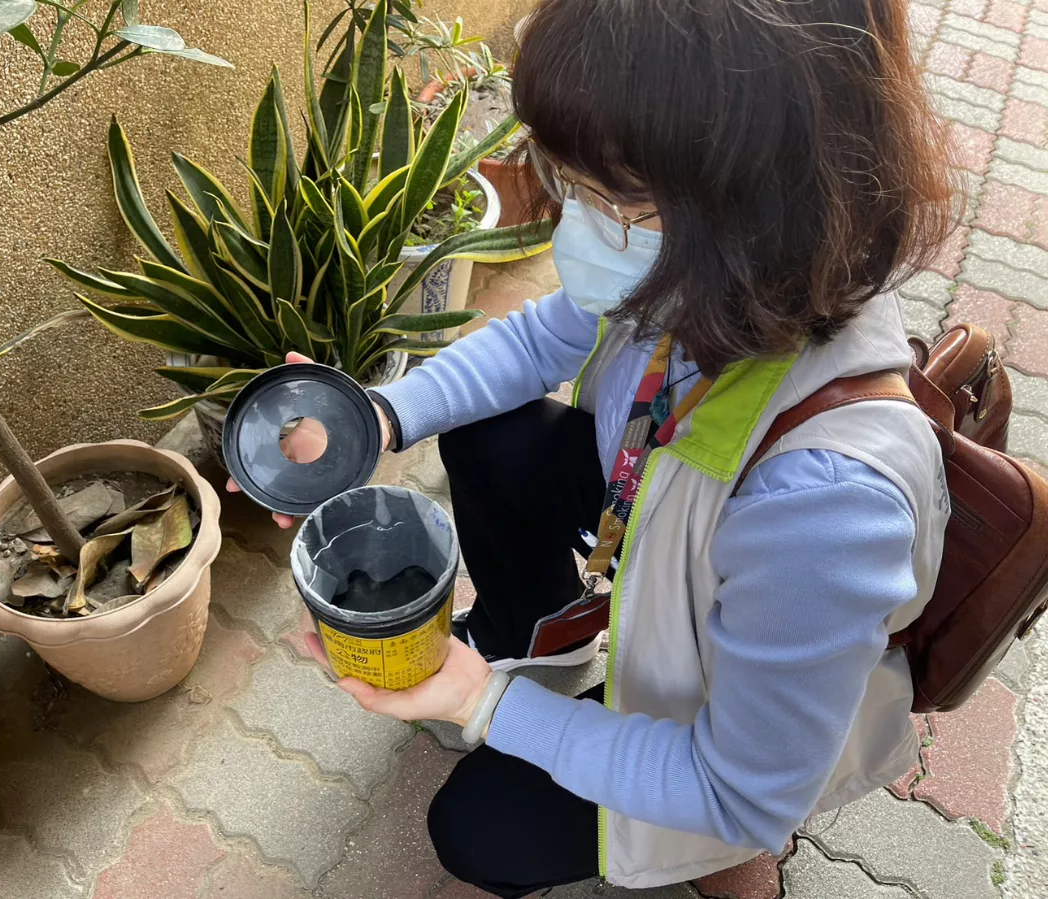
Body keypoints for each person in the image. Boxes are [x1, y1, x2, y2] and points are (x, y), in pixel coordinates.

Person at [230, 0, 955, 894]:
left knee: (477, 830)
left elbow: (742, 790)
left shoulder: (827, 508)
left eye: (616, 199)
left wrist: (481, 703)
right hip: (661, 501)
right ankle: (531, 640)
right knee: (490, 433)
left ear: (763, 199)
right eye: (567, 180)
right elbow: (539, 340)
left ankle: (713, 862)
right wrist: (380, 417)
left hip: (726, 670)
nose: (575, 227)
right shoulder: (700, 263)